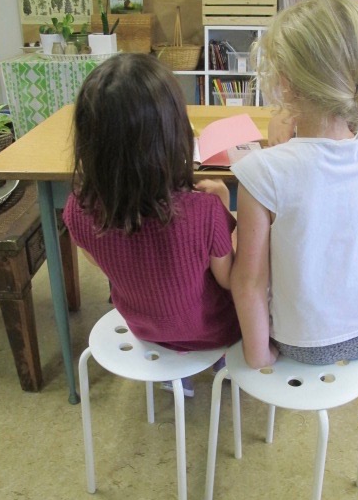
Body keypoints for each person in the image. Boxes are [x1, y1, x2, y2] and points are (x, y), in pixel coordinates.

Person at [230, 0, 358, 369]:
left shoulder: (261, 172)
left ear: (286, 83)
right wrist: (294, 122)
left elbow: (248, 283)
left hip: (304, 343)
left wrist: (259, 357)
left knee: (239, 269)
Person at [63, 53, 241, 396]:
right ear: (173, 135)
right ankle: (223, 358)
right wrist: (224, 206)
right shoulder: (204, 211)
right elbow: (230, 279)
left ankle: (174, 375)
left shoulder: (77, 208)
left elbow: (100, 264)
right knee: (252, 285)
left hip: (143, 327)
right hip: (211, 330)